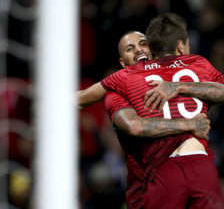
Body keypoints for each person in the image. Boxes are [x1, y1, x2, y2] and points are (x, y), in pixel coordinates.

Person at [78, 30, 223, 208]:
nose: (139, 50)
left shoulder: (179, 79)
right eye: (130, 48)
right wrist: (190, 124)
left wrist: (181, 86)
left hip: (188, 170)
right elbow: (134, 126)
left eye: (143, 44)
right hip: (146, 185)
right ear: (123, 63)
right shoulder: (116, 90)